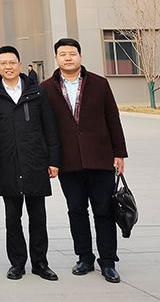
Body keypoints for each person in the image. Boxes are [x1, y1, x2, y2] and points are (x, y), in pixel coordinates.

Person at [41, 38, 128, 283]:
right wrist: (50, 159)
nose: (68, 57)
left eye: (72, 53)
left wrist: (119, 153)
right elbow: (45, 127)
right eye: (63, 54)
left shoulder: (99, 84)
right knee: (76, 210)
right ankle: (85, 257)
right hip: (67, 161)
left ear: (80, 56)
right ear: (56, 58)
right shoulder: (46, 88)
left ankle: (108, 261)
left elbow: (113, 119)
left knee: (104, 210)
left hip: (100, 159)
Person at [0, 46, 60, 282]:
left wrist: (53, 160)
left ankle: (40, 263)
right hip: (7, 163)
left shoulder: (37, 92)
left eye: (12, 62)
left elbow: (50, 127)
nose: (8, 67)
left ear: (19, 64)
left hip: (35, 161)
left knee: (38, 217)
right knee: (12, 218)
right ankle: (17, 263)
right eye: (3, 63)